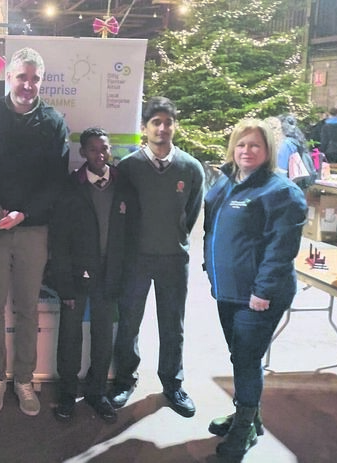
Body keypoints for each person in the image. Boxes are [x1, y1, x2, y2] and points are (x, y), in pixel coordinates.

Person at [0, 47, 70, 416]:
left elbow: (57, 182)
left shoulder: (53, 122)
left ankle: (23, 379)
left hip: (32, 229)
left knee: (26, 308)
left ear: (41, 82)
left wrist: (25, 213)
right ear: (9, 77)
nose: (28, 85)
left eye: (34, 79)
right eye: (22, 77)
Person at [203, 118, 306, 458]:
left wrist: (262, 291)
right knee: (240, 355)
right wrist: (210, 268)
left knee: (247, 358)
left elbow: (281, 249)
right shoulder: (227, 181)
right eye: (241, 144)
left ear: (268, 150)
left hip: (258, 295)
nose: (246, 150)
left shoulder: (281, 192)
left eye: (255, 145)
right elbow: (212, 229)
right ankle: (250, 416)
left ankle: (244, 428)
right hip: (228, 289)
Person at [110, 96, 204, 418]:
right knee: (129, 322)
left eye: (168, 122)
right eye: (156, 122)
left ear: (175, 126)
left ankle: (173, 384)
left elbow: (191, 213)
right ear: (144, 127)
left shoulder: (191, 168)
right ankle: (124, 379)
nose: (162, 128)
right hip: (136, 258)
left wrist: (174, 237)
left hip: (173, 259)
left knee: (172, 325)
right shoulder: (128, 168)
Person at [48, 127, 137, 423]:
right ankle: (67, 392)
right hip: (76, 275)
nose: (100, 155)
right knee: (70, 334)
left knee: (103, 334)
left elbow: (131, 233)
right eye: (93, 149)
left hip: (110, 274)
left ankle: (97, 392)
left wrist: (124, 274)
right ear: (83, 152)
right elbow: (59, 239)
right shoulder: (70, 186)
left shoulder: (123, 183)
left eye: (104, 148)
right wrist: (64, 284)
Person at [275, 114, 315, 187]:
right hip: (299, 184)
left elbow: (281, 171)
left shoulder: (286, 144)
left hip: (287, 185)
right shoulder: (298, 141)